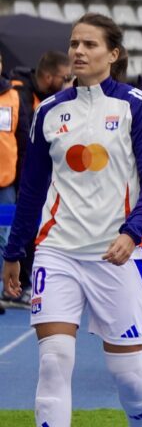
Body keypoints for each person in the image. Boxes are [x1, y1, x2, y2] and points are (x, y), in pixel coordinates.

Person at [2, 13, 142, 427]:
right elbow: (32, 190)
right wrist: (15, 251)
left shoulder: (135, 105)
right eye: (75, 43)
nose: (78, 51)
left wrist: (132, 233)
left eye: (89, 44)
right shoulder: (50, 111)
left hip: (117, 256)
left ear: (113, 54)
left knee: (127, 376)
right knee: (54, 362)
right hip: (58, 254)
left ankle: (140, 421)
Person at [3, 50, 72, 308]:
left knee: (27, 232)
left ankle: (24, 282)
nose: (68, 81)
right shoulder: (20, 94)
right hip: (18, 176)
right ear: (48, 75)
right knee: (14, 233)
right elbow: (25, 142)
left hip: (22, 177)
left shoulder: (48, 100)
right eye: (64, 77)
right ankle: (13, 285)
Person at [0, 52, 30, 315]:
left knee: (3, 239)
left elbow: (21, 140)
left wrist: (22, 179)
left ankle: (4, 292)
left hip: (6, 181)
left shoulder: (13, 96)